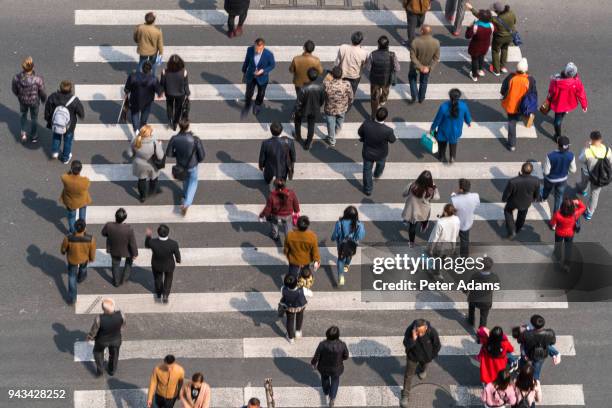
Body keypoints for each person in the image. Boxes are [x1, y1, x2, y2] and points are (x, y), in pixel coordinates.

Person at [166, 119, 206, 215]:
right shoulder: (195, 139)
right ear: (188, 127)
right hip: (192, 165)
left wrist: (178, 155)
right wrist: (196, 160)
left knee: (185, 180)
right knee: (193, 182)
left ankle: (185, 195)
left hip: (181, 165)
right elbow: (202, 156)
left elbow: (169, 153)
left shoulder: (174, 138)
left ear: (179, 126)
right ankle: (186, 203)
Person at [400, 319, 441, 407]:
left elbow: (437, 345)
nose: (420, 335)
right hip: (413, 357)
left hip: (426, 357)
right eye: (418, 332)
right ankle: (405, 395)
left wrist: (431, 356)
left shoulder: (431, 332)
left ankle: (422, 370)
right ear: (415, 329)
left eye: (422, 332)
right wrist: (413, 339)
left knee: (424, 365)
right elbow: (406, 344)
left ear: (426, 328)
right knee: (408, 375)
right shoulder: (410, 330)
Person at [358, 107, 397, 196]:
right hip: (381, 154)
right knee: (381, 165)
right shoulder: (388, 130)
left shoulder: (366, 124)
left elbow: (360, 132)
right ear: (385, 118)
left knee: (367, 170)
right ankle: (376, 175)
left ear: (376, 115)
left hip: (368, 152)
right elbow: (392, 140)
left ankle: (368, 189)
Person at [44, 80, 85, 163]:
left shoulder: (53, 97)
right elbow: (81, 113)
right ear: (71, 89)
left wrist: (48, 119)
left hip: (56, 123)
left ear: (60, 88)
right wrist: (81, 116)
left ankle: (55, 152)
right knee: (67, 141)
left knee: (56, 137)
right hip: (69, 125)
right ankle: (65, 158)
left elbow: (47, 110)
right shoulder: (74, 100)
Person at [545, 62, 588, 141]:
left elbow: (551, 92)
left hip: (558, 103)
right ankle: (562, 117)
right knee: (563, 112)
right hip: (569, 102)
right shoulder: (576, 81)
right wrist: (584, 105)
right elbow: (581, 93)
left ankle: (558, 136)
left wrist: (548, 100)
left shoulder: (556, 80)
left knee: (557, 120)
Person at [311, 326, 350, 408]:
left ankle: (326, 391)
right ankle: (332, 398)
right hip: (337, 368)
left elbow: (316, 356)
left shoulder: (322, 345)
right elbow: (346, 356)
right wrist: (340, 359)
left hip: (323, 367)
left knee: (324, 379)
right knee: (335, 381)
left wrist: (313, 363)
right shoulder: (342, 345)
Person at [577, 130, 612, 220]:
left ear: (591, 139)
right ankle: (589, 213)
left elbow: (580, 159)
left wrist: (585, 148)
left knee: (584, 183)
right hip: (600, 177)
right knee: (595, 195)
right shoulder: (608, 150)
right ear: (601, 139)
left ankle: (583, 191)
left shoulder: (588, 151)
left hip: (587, 173)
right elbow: (610, 162)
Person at [86, 298, 126, 377]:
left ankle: (100, 371)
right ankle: (112, 370)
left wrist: (89, 337)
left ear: (103, 308)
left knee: (98, 352)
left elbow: (94, 331)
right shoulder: (121, 314)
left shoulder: (99, 318)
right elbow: (123, 325)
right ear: (113, 306)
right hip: (116, 339)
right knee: (114, 355)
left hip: (101, 341)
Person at [431, 88, 472, 163]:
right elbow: (467, 117)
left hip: (443, 131)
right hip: (455, 131)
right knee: (453, 144)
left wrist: (432, 128)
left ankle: (441, 157)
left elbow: (437, 120)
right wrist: (468, 122)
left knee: (442, 145)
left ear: (450, 97)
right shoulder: (463, 106)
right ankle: (452, 157)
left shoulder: (443, 107)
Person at [502, 162, 541, 239]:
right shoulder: (536, 180)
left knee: (508, 211)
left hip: (513, 202)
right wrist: (535, 198)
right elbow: (537, 194)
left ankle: (512, 230)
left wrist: (504, 199)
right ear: (531, 171)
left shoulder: (513, 181)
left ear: (521, 169)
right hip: (526, 202)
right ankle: (517, 229)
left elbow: (507, 193)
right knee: (522, 216)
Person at [61, 219, 96, 304]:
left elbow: (63, 249)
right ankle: (81, 278)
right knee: (83, 268)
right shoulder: (90, 239)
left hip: (72, 259)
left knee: (72, 276)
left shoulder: (68, 238)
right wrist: (91, 259)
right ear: (85, 229)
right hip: (84, 259)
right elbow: (92, 251)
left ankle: (72, 298)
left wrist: (63, 252)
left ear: (75, 228)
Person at [12, 56, 46, 143]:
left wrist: (19, 96)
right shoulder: (38, 79)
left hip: (22, 101)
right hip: (34, 101)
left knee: (23, 115)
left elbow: (14, 90)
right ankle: (34, 136)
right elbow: (42, 92)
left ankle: (23, 133)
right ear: (33, 67)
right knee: (34, 118)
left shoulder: (16, 78)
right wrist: (43, 99)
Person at [101, 208, 139, 287]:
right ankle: (124, 278)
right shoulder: (129, 229)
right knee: (129, 262)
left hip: (114, 249)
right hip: (127, 250)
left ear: (115, 216)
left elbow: (103, 233)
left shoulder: (109, 225)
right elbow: (132, 243)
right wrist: (135, 253)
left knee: (115, 265)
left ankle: (116, 282)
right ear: (124, 218)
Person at [402, 170, 440, 247]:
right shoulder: (430, 190)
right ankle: (424, 226)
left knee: (412, 227)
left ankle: (411, 243)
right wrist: (434, 188)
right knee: (425, 219)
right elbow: (437, 197)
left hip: (413, 211)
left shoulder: (412, 185)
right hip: (424, 210)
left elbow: (404, 194)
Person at [500, 58, 531, 151]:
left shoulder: (511, 77)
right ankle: (518, 118)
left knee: (511, 124)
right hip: (523, 106)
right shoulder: (529, 80)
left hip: (511, 105)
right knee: (517, 117)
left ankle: (512, 144)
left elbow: (503, 90)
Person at [145, 224, 181, 303]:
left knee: (158, 279)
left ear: (158, 233)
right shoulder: (173, 243)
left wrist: (148, 236)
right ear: (168, 233)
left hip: (156, 265)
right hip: (169, 265)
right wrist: (178, 260)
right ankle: (165, 295)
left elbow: (147, 245)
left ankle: (158, 293)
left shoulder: (152, 242)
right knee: (168, 279)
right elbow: (177, 254)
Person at [366, 35, 400, 118]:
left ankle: (373, 114)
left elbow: (368, 68)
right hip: (386, 79)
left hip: (375, 79)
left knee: (374, 97)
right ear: (387, 45)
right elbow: (397, 68)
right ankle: (382, 101)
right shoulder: (392, 55)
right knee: (385, 91)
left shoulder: (372, 54)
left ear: (378, 45)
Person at [331, 206, 365, 286]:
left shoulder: (339, 223)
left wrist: (333, 238)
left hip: (341, 244)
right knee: (349, 254)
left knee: (340, 259)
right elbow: (360, 236)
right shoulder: (359, 225)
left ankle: (341, 276)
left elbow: (335, 234)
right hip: (352, 244)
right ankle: (346, 265)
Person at [129, 125, 164, 202]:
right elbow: (160, 156)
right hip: (152, 165)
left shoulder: (135, 140)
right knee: (154, 179)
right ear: (149, 134)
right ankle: (152, 191)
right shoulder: (154, 143)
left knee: (141, 180)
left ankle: (142, 196)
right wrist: (160, 145)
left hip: (139, 165)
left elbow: (130, 154)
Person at [124, 61, 162, 133]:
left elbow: (126, 89)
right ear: (150, 70)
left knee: (135, 114)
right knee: (144, 116)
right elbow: (159, 91)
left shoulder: (133, 76)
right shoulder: (153, 79)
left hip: (135, 100)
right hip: (147, 101)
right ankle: (142, 128)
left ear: (142, 68)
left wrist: (126, 92)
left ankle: (136, 131)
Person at [241, 38, 276, 116]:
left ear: (263, 47)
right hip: (251, 75)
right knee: (249, 92)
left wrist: (263, 70)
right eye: (255, 47)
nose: (256, 50)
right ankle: (247, 103)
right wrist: (244, 72)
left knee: (261, 93)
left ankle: (257, 105)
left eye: (259, 49)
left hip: (262, 77)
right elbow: (246, 61)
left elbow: (272, 65)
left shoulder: (269, 54)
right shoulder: (250, 50)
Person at [259, 178, 300, 243]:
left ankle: (275, 236)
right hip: (288, 214)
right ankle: (288, 239)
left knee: (274, 224)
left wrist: (262, 215)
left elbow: (268, 208)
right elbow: (295, 202)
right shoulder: (291, 193)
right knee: (288, 226)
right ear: (285, 185)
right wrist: (296, 211)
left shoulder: (272, 195)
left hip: (276, 214)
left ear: (275, 186)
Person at [542, 136, 576, 213]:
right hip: (563, 180)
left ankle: (544, 198)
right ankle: (555, 220)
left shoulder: (550, 156)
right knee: (559, 198)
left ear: (558, 144)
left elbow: (546, 172)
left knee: (546, 189)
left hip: (550, 179)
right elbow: (573, 170)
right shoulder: (571, 155)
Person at [517, 314, 556, 381]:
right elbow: (552, 342)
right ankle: (534, 384)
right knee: (536, 372)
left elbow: (519, 341)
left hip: (528, 354)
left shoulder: (526, 334)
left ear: (532, 325)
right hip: (541, 355)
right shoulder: (550, 333)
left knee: (523, 363)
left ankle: (521, 372)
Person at [294, 68, 325, 150]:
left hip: (303, 109)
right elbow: (322, 100)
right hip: (315, 109)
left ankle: (298, 136)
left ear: (308, 76)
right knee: (311, 125)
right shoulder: (321, 87)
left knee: (297, 121)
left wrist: (297, 110)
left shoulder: (303, 88)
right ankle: (308, 143)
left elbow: (299, 102)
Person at [427, 204, 460, 278]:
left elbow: (435, 237)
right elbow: (456, 233)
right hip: (450, 244)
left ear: (445, 212)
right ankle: (437, 270)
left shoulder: (440, 222)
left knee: (437, 258)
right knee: (443, 258)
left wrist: (431, 249)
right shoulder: (457, 219)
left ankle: (436, 273)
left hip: (440, 245)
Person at [550, 197, 586, 266]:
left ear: (562, 207)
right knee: (568, 247)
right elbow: (583, 207)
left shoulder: (557, 214)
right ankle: (567, 264)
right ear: (573, 207)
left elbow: (552, 223)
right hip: (570, 233)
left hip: (559, 233)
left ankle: (557, 257)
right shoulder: (575, 214)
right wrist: (577, 201)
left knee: (558, 245)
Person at [408, 25, 440, 103]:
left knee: (412, 78)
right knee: (424, 82)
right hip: (427, 67)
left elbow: (412, 57)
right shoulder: (436, 42)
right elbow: (436, 58)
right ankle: (421, 98)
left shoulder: (415, 42)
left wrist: (420, 67)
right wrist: (429, 68)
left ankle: (414, 95)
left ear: (422, 31)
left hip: (415, 66)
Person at [259, 122, 296, 188]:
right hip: (283, 167)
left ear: (271, 131)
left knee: (268, 177)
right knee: (282, 179)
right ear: (281, 131)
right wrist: (292, 163)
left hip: (270, 166)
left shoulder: (265, 143)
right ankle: (281, 188)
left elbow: (262, 157)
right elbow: (293, 155)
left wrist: (261, 165)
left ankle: (268, 181)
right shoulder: (289, 142)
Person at [323, 66, 353, 147]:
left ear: (332, 74)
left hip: (330, 108)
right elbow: (351, 96)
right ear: (341, 75)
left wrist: (328, 76)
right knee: (340, 120)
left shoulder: (327, 84)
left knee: (330, 123)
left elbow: (324, 91)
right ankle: (336, 132)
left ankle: (332, 139)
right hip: (342, 108)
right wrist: (349, 102)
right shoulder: (347, 84)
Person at [465, 257, 499, 327]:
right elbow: (496, 286)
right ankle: (481, 333)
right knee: (483, 317)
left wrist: (465, 291)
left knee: (471, 307)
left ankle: (471, 321)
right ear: (491, 266)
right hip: (486, 302)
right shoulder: (494, 277)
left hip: (474, 299)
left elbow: (467, 286)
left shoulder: (475, 275)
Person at [450, 178, 480, 257]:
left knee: (453, 237)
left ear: (461, 189)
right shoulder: (476, 196)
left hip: (457, 223)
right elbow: (477, 206)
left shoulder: (454, 199)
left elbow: (453, 210)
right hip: (467, 223)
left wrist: (456, 194)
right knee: (464, 241)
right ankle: (464, 257)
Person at [60, 160, 92, 234]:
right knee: (82, 215)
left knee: (71, 217)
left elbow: (63, 175)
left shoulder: (65, 178)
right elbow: (88, 183)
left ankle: (72, 231)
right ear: (80, 170)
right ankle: (82, 228)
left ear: (71, 169)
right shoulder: (85, 181)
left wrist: (69, 172)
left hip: (71, 202)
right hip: (82, 200)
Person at [160, 54, 191, 131]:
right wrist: (188, 94)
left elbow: (162, 83)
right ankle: (175, 123)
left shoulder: (164, 72)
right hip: (180, 94)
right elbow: (185, 85)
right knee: (178, 109)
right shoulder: (184, 72)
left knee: (169, 106)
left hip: (169, 93)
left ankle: (170, 118)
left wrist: (161, 91)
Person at [280, 273, 312, 344]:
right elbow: (310, 294)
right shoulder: (302, 289)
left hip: (290, 307)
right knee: (300, 317)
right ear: (296, 282)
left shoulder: (283, 289)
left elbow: (283, 294)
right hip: (300, 306)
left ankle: (290, 337)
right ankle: (298, 332)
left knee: (290, 321)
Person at [335, 31, 368, 97]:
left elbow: (337, 61)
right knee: (351, 93)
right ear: (361, 41)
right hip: (355, 76)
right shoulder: (364, 53)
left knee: (340, 92)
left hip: (342, 74)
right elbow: (364, 65)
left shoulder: (343, 47)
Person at [465, 9, 494, 82]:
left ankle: (474, 75)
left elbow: (467, 36)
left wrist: (469, 27)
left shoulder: (476, 27)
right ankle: (480, 70)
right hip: (485, 46)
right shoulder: (491, 25)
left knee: (474, 60)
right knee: (481, 57)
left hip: (475, 47)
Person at [134, 12, 163, 76]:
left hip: (143, 50)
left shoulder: (139, 28)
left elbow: (135, 38)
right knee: (153, 64)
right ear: (154, 21)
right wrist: (161, 53)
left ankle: (139, 76)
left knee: (141, 63)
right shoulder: (157, 31)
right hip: (153, 51)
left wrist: (139, 42)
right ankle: (152, 77)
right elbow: (160, 44)